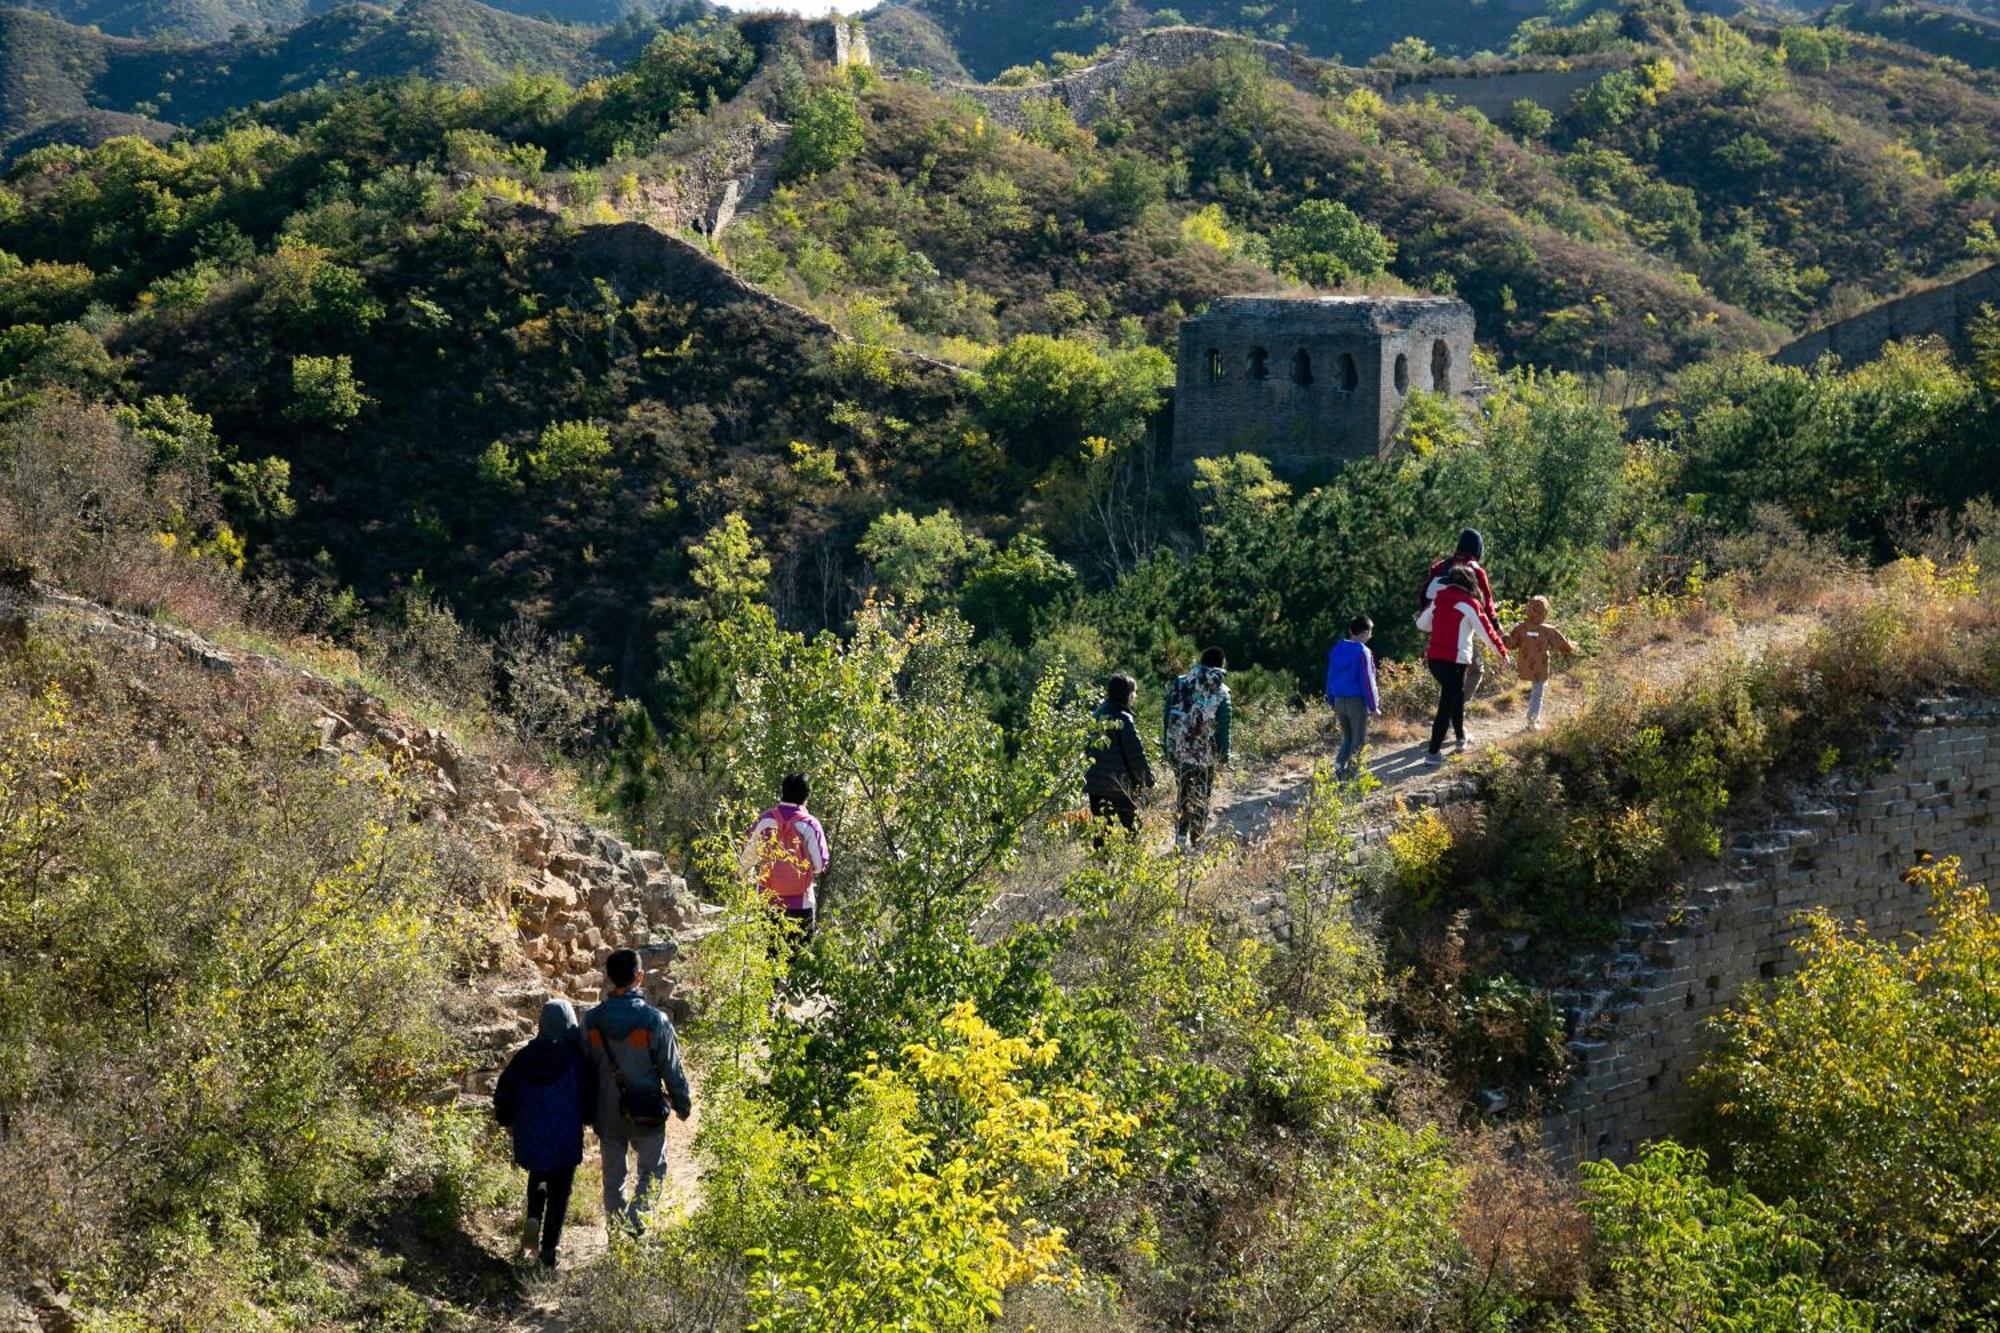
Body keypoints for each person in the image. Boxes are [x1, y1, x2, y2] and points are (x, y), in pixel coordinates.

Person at [584, 948, 692, 1235]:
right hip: (646, 1111)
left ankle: (617, 1238)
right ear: (640, 977)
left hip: (606, 1111)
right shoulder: (654, 1021)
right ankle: (636, 1223)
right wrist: (682, 1104)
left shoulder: (591, 1021)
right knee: (653, 1170)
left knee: (613, 1179)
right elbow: (672, 1069)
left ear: (608, 978)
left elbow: (582, 1068)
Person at [493, 998, 596, 1269]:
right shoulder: (576, 1060)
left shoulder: (525, 1057)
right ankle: (549, 1250)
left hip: (531, 1133)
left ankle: (533, 1215)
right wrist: (588, 1119)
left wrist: (507, 1121)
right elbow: (589, 1096)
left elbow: (503, 1090)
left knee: (538, 1174)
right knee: (560, 1191)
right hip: (564, 1133)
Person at [1417, 566, 1505, 766]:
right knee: (1446, 704)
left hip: (1434, 660)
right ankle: (1432, 754)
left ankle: (1460, 739)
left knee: (1454, 696)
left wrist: (1440, 623)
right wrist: (1502, 652)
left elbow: (1421, 625)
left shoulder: (1438, 600)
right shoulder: (1470, 603)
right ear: (1470, 583)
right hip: (1456, 662)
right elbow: (1487, 631)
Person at [742, 773, 830, 943]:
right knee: (798, 961)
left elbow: (745, 859)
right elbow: (819, 866)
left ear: (782, 792)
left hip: (768, 902)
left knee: (770, 958)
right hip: (801, 903)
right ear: (806, 796)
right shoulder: (810, 824)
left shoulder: (765, 820)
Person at [1422, 529, 1503, 702]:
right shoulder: (1475, 570)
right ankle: (1456, 708)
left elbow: (1423, 594)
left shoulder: (1441, 566)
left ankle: (1449, 709)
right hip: (1462, 625)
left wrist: (1431, 617)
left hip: (1436, 624)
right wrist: (1496, 628)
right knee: (1475, 669)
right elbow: (1487, 602)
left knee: (1447, 669)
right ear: (1478, 549)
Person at [1163, 647, 1232, 848]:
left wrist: (1168, 745)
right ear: (1222, 664)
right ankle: (1197, 838)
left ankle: (1180, 836)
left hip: (1179, 749)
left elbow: (1167, 715)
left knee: (1183, 791)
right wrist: (1224, 755)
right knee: (1202, 793)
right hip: (1205, 753)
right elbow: (1224, 728)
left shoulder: (1179, 682)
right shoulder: (1222, 692)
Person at [1083, 673, 1154, 841]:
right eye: (1134, 692)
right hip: (1119, 785)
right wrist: (1147, 779)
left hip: (1095, 784)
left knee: (1101, 830)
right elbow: (1135, 755)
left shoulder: (1096, 715)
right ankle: (1132, 863)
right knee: (1133, 828)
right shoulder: (1123, 719)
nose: (1135, 696)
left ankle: (1101, 865)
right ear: (1127, 695)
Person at [1504, 595, 1577, 731]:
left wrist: (1502, 636)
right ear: (1545, 612)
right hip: (1541, 666)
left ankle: (1531, 717)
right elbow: (1563, 646)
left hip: (1524, 665)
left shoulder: (1521, 628)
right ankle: (1532, 720)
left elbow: (1510, 644)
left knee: (1536, 689)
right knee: (1538, 692)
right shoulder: (1548, 630)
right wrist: (1572, 646)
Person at [1324, 615, 1380, 781]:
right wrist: (1373, 705)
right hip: (1357, 701)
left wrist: (1331, 699)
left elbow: (1330, 676)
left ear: (1350, 631)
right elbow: (1368, 681)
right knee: (1359, 739)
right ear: (1364, 633)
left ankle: (1339, 766)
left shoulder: (1337, 648)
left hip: (1339, 699)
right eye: (1370, 633)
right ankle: (1352, 774)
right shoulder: (1363, 652)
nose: (1370, 636)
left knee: (1348, 737)